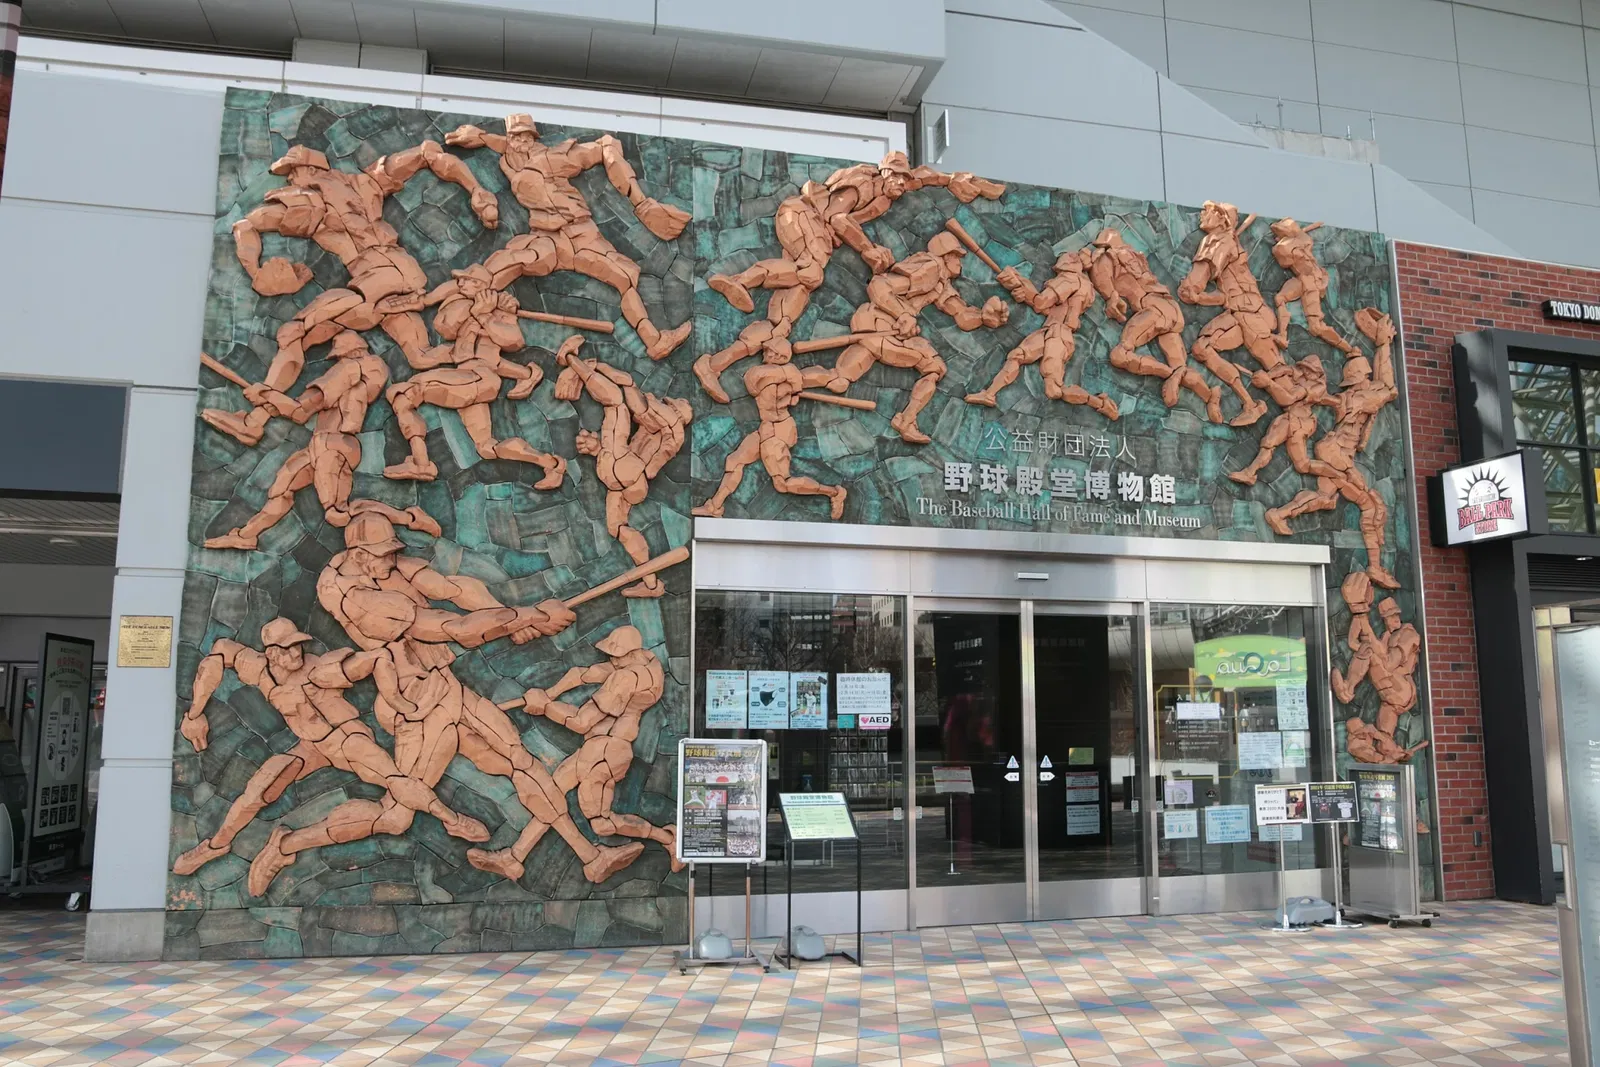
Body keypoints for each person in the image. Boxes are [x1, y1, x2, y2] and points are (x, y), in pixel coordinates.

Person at [203, 142, 499, 446]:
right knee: (420, 357)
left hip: (375, 278)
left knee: (295, 333)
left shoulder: (308, 201)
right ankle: (477, 345)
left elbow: (246, 224)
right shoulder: (368, 182)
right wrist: (476, 190)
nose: (289, 181)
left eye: (291, 174)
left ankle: (255, 421)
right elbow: (427, 153)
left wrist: (256, 272)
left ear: (309, 170)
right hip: (403, 274)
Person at [172, 618, 488, 876]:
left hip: (347, 741)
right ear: (271, 653)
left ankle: (453, 820)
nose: (297, 654)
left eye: (299, 646)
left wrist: (399, 700)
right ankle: (216, 846)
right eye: (288, 649)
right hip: (310, 747)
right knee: (259, 788)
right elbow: (220, 651)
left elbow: (371, 661)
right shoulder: (260, 669)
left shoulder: (321, 670)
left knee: (396, 784)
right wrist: (195, 714)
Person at [444, 115, 691, 361]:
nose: (520, 142)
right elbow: (508, 149)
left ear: (533, 138)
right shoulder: (510, 162)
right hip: (546, 237)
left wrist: (640, 201)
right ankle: (461, 321)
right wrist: (482, 137)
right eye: (515, 136)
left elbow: (606, 145)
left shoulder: (555, 158)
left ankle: (654, 341)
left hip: (581, 234)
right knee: (507, 261)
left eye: (525, 136)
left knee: (625, 279)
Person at [469, 626, 682, 880]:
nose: (611, 658)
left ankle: (668, 837)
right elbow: (587, 673)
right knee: (551, 795)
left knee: (601, 823)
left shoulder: (626, 679)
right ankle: (514, 858)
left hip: (605, 752)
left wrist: (545, 705)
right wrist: (554, 690)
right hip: (600, 747)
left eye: (616, 654)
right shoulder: (649, 665)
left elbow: (582, 721)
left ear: (629, 654)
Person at [202, 332, 439, 550]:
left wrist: (266, 394)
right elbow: (302, 410)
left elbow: (300, 410)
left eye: (340, 358)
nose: (336, 365)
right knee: (282, 488)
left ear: (350, 354)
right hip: (320, 444)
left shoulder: (352, 369)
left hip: (335, 445)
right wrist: (269, 401)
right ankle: (247, 535)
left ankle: (411, 518)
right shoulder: (367, 373)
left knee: (337, 513)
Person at [800, 232, 1009, 444]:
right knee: (934, 367)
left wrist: (984, 317)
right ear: (945, 256)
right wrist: (903, 315)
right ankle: (906, 421)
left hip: (889, 330)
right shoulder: (930, 268)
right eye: (956, 256)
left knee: (839, 379)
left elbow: (961, 315)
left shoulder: (941, 283)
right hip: (880, 324)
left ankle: (791, 381)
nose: (960, 262)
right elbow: (879, 286)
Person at [382, 264, 565, 487]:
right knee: (487, 448)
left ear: (480, 284)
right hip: (467, 378)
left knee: (405, 392)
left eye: (467, 281)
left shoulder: (497, 310)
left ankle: (421, 463)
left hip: (479, 378)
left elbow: (513, 341)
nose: (461, 284)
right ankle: (550, 464)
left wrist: (486, 315)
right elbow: (446, 330)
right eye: (460, 281)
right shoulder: (469, 306)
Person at [1266, 309, 1401, 588]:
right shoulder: (1363, 398)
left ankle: (1278, 514)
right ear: (1363, 377)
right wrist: (1382, 343)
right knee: (1371, 504)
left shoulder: (1350, 396)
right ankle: (1375, 568)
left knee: (1327, 499)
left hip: (1334, 450)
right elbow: (1388, 386)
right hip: (1337, 453)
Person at [552, 337, 692, 597]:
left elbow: (629, 391)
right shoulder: (671, 435)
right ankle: (651, 583)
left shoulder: (671, 421)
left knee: (615, 403)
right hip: (628, 479)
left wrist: (591, 367)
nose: (665, 403)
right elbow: (651, 464)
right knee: (618, 527)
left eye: (670, 403)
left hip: (625, 467)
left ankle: (569, 357)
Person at [693, 321, 848, 519]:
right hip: (767, 428)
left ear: (778, 356)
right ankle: (715, 507)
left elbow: (803, 380)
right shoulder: (780, 375)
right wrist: (788, 380)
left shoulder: (787, 376)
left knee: (782, 484)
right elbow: (754, 383)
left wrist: (803, 382)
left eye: (769, 351)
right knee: (735, 460)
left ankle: (834, 492)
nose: (765, 353)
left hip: (779, 430)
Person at [964, 248, 1118, 419]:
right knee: (1017, 355)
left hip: (1058, 336)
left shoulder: (1068, 279)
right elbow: (1051, 310)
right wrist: (1021, 288)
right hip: (1051, 331)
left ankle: (1100, 403)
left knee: (1054, 391)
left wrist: (1020, 282)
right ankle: (990, 394)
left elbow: (1041, 303)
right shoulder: (1083, 285)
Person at [1089, 228, 1220, 421]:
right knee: (1181, 366)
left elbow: (1103, 281)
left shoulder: (1108, 258)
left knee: (1119, 355)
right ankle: (1210, 396)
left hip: (1153, 310)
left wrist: (1111, 298)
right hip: (1171, 309)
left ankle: (1169, 374)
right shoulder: (1136, 256)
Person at [1176, 200, 1276, 426]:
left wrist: (1190, 290)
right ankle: (1250, 404)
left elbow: (1198, 277)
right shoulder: (1224, 241)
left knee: (1280, 375)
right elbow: (1223, 297)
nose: (1202, 214)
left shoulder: (1219, 242)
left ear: (1222, 219)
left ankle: (1253, 404)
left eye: (1208, 211)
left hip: (1249, 315)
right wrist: (1199, 298)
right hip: (1243, 311)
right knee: (1202, 348)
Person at [1270, 218, 1358, 355]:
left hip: (1311, 282)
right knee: (1280, 298)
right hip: (1301, 279)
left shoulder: (1282, 247)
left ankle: (1349, 349)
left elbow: (1284, 261)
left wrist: (1285, 243)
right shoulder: (1303, 239)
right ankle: (1282, 336)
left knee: (1315, 327)